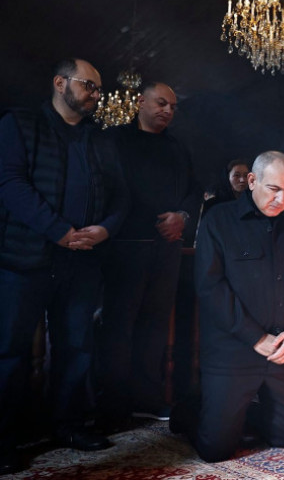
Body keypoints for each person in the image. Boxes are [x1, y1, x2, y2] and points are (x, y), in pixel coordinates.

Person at [0, 58, 129, 473]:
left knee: (76, 347)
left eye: (98, 89)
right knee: (11, 351)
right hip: (24, 258)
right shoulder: (20, 124)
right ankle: (6, 439)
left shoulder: (100, 138)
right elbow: (10, 184)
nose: (96, 94)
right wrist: (58, 230)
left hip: (82, 261)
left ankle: (69, 426)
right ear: (60, 83)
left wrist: (105, 230)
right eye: (89, 85)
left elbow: (121, 196)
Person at [170, 151, 284, 462]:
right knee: (216, 450)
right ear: (252, 180)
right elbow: (210, 288)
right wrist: (255, 337)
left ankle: (240, 417)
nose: (281, 199)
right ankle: (190, 411)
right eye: (273, 189)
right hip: (233, 350)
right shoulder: (218, 220)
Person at [99, 81, 202, 427]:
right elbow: (106, 190)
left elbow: (194, 191)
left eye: (173, 107)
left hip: (166, 249)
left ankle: (147, 398)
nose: (168, 111)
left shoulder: (177, 147)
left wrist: (182, 217)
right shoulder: (113, 140)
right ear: (140, 101)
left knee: (156, 328)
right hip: (124, 247)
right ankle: (112, 406)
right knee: (118, 329)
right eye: (161, 103)